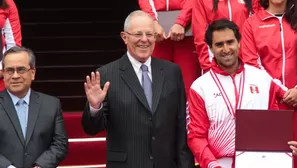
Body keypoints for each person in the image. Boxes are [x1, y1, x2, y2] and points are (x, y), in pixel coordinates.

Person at [82, 10, 194, 168]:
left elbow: (181, 125)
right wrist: (95, 107)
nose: (144, 40)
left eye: (149, 34)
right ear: (124, 37)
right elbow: (92, 129)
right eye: (138, 34)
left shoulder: (171, 72)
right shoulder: (106, 74)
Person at [187, 19, 288, 168]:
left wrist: (284, 148)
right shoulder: (200, 87)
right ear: (210, 48)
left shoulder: (261, 78)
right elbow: (196, 136)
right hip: (221, 163)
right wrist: (212, 164)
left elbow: (274, 124)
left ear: (239, 43)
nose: (226, 49)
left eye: (230, 42)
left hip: (261, 161)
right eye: (219, 44)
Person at [0, 46, 68, 168]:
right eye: (9, 70)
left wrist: (41, 165)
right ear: (3, 73)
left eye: (21, 70)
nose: (15, 76)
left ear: (33, 73)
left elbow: (60, 144)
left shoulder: (51, 104)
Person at [138, 0, 200, 98]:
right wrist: (153, 21)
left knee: (188, 84)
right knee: (157, 83)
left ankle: (188, 113)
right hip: (158, 34)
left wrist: (181, 22)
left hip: (186, 31)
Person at [191, 0, 260, 74]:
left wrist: (253, 65)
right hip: (217, 65)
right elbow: (200, 37)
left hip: (246, 64)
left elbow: (257, 30)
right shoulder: (201, 1)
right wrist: (208, 67)